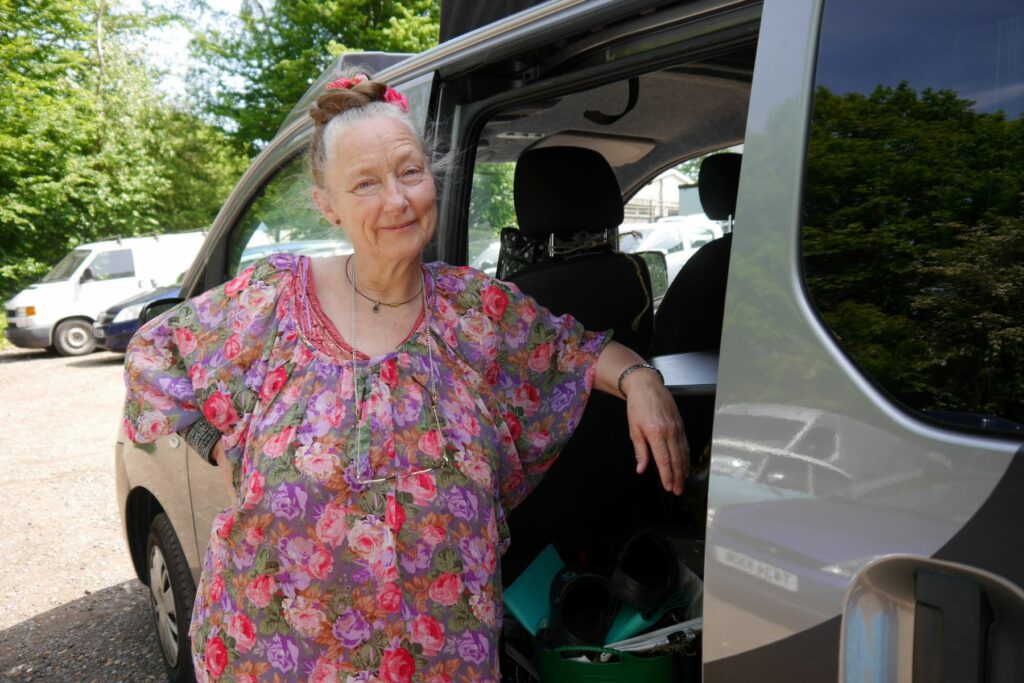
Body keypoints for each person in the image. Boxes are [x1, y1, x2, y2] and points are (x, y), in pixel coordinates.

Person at [123, 73, 688, 682]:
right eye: (365, 183)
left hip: (441, 656)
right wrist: (221, 445)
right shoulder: (274, 299)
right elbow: (155, 354)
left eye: (410, 172)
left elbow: (574, 353)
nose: (397, 200)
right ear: (327, 204)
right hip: (278, 652)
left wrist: (641, 381)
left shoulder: (477, 312)